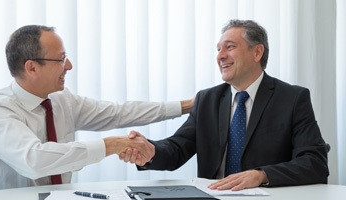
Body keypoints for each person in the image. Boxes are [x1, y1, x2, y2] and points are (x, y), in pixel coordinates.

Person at [0, 25, 194, 192]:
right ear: (32, 68)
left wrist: (188, 106)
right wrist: (112, 145)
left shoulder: (61, 100)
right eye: (61, 59)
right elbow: (34, 160)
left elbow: (117, 113)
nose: (69, 66)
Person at [121, 19, 329, 191]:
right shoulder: (207, 99)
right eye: (219, 49)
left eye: (230, 47)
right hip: (213, 195)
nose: (220, 56)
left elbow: (314, 163)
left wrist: (262, 175)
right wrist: (148, 150)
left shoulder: (292, 98)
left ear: (257, 53)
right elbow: (177, 149)